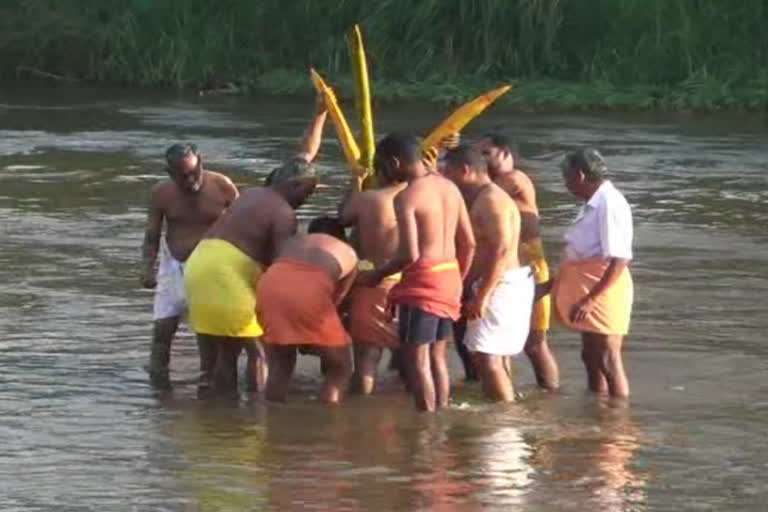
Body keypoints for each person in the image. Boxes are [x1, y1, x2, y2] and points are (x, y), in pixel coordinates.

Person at [183, 97, 326, 395]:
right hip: (226, 274)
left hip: (200, 265)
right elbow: (280, 271)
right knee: (260, 349)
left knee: (228, 349)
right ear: (295, 186)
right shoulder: (283, 214)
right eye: (308, 193)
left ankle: (223, 413)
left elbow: (302, 159)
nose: (307, 200)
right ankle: (257, 418)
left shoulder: (255, 193)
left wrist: (320, 114)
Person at [361, 133, 476, 412]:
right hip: (450, 277)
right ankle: (443, 411)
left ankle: (426, 423)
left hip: (422, 283)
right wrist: (457, 281)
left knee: (417, 358)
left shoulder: (407, 197)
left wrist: (376, 276)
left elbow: (409, 255)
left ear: (395, 162)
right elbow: (469, 243)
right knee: (438, 355)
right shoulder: (450, 187)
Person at [140, 143, 239, 388]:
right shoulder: (161, 193)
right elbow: (152, 234)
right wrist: (147, 267)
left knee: (207, 331)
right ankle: (157, 386)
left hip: (211, 267)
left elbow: (244, 225)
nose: (190, 180)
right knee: (163, 328)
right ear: (169, 172)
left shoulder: (222, 186)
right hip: (174, 263)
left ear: (201, 161)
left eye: (194, 172)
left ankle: (209, 382)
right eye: (182, 176)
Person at [443, 145, 534, 401]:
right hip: (501, 284)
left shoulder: (492, 200)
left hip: (499, 285)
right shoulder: (486, 197)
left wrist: (482, 295)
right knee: (495, 355)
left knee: (487, 356)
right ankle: (504, 406)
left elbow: (501, 249)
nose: (445, 177)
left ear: (465, 171)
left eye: (448, 172)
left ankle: (502, 416)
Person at [549, 148, 634, 398]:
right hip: (588, 284)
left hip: (605, 288)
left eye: (567, 178)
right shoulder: (593, 202)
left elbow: (620, 258)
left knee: (608, 356)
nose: (566, 185)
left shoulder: (610, 203)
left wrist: (591, 299)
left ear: (580, 176)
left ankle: (618, 421)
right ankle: (596, 405)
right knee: (590, 354)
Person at [477, 133, 560, 390]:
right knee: (501, 342)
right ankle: (506, 390)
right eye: (479, 155)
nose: (483, 160)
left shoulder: (514, 180)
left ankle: (550, 395)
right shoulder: (495, 181)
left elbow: (474, 190)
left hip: (529, 267)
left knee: (535, 342)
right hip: (512, 268)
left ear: (505, 153)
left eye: (486, 154)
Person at [257, 217, 357, 404]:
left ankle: (272, 417)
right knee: (340, 368)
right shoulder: (348, 252)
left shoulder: (294, 242)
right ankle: (329, 421)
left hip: (269, 287)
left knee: (280, 363)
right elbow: (335, 301)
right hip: (310, 295)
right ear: (342, 237)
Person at [340, 160, 408, 395]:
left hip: (375, 281)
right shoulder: (423, 195)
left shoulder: (369, 199)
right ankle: (410, 411)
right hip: (412, 283)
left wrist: (355, 182)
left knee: (367, 356)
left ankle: (362, 412)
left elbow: (342, 218)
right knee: (409, 355)